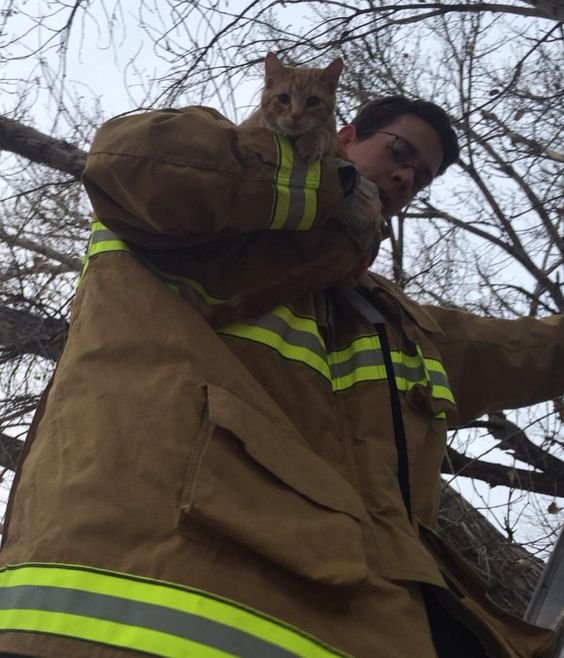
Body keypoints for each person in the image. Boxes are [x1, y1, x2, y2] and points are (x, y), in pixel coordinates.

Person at [0, 96, 562, 658]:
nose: (404, 175)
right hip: (135, 606)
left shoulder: (391, 321)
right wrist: (323, 186)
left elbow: (525, 350)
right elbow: (132, 157)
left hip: (344, 622)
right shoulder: (203, 214)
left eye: (419, 176)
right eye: (398, 152)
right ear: (344, 137)